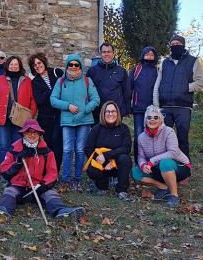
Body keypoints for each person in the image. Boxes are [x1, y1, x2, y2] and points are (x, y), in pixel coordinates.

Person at [0, 119, 84, 221]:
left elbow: (52, 173)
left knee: (51, 194)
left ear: (39, 134)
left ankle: (61, 212)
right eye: (28, 132)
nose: (32, 135)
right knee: (9, 192)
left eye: (35, 133)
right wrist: (18, 162)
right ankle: (3, 211)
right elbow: (4, 170)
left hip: (38, 187)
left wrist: (44, 185)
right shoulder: (14, 149)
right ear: (23, 134)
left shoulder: (47, 152)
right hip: (18, 186)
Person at [50, 53, 100, 189]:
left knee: (79, 150)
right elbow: (53, 99)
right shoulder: (61, 81)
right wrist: (67, 106)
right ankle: (65, 179)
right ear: (67, 66)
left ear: (80, 66)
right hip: (67, 121)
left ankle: (76, 179)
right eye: (70, 64)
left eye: (76, 64)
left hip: (84, 121)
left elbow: (96, 99)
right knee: (67, 150)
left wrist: (85, 109)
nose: (73, 67)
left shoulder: (87, 81)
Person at [152, 35, 203, 156]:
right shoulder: (165, 63)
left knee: (182, 138)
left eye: (178, 43)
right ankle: (165, 164)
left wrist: (186, 87)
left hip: (183, 107)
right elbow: (158, 84)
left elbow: (201, 82)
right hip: (165, 106)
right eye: (173, 44)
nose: (175, 46)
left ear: (183, 45)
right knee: (163, 138)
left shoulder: (193, 61)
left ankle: (184, 167)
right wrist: (156, 105)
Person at [134, 105, 191, 207]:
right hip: (157, 168)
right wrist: (143, 165)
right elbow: (141, 156)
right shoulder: (141, 137)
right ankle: (163, 187)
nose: (152, 120)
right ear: (145, 120)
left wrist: (151, 161)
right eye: (149, 117)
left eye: (156, 117)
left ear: (161, 120)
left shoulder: (169, 131)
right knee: (135, 172)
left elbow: (172, 152)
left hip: (180, 166)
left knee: (165, 163)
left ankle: (174, 195)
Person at [0, 56, 37, 164]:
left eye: (16, 64)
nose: (13, 66)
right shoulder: (0, 79)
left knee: (17, 147)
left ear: (20, 66)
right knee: (4, 147)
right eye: (11, 64)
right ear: (7, 66)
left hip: (20, 121)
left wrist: (30, 117)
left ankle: (16, 175)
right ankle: (5, 174)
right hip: (3, 120)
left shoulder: (27, 81)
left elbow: (33, 100)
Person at [84, 101, 132, 200]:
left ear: (118, 113)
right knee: (92, 169)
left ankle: (121, 190)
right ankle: (102, 187)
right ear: (103, 113)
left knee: (125, 158)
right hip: (101, 164)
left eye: (113, 111)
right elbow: (88, 149)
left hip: (117, 165)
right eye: (108, 111)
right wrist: (104, 162)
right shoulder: (96, 129)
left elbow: (126, 148)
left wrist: (106, 156)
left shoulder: (124, 128)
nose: (110, 114)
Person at [28, 53, 63, 166]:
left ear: (44, 62)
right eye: (34, 65)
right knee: (49, 144)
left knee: (57, 142)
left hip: (59, 115)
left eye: (39, 63)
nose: (38, 66)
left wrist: (47, 93)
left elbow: (65, 90)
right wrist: (54, 91)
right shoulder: (35, 82)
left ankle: (56, 171)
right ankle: (49, 169)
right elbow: (39, 100)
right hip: (45, 118)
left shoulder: (56, 72)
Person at [87, 43, 131, 123]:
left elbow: (127, 92)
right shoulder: (92, 71)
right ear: (100, 54)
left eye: (109, 52)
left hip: (116, 112)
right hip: (97, 112)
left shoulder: (121, 71)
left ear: (113, 53)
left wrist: (127, 110)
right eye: (104, 52)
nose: (106, 54)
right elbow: (87, 91)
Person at [130, 46, 159, 160]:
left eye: (152, 55)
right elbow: (129, 88)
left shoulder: (158, 70)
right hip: (138, 109)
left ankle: (151, 162)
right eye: (147, 54)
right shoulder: (136, 70)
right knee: (138, 136)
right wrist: (129, 106)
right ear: (143, 55)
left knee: (153, 136)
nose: (149, 57)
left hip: (153, 110)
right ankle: (138, 162)